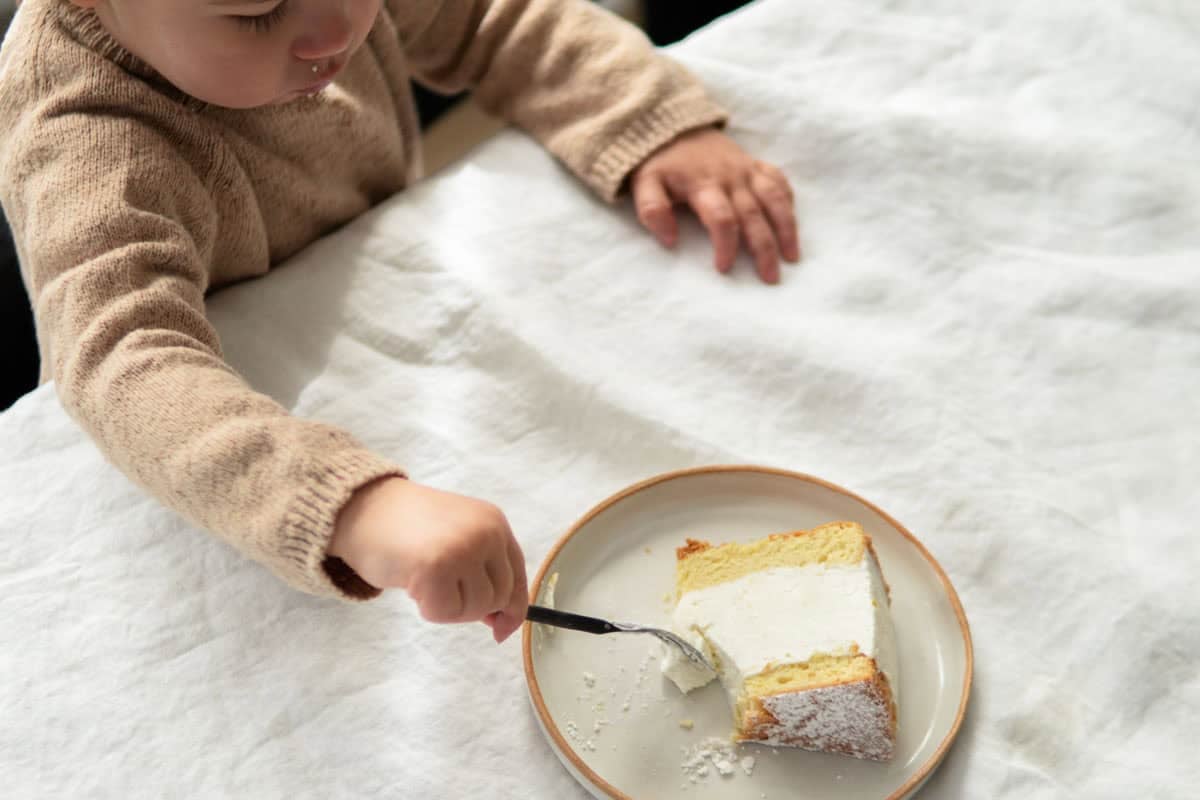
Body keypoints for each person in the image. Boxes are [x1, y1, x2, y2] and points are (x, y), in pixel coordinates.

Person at [0, 0, 799, 644]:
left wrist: (644, 114)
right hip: (211, 467)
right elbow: (123, 363)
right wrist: (350, 507)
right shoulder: (86, 142)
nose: (336, 29)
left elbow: (495, 16)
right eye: (255, 13)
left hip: (373, 307)